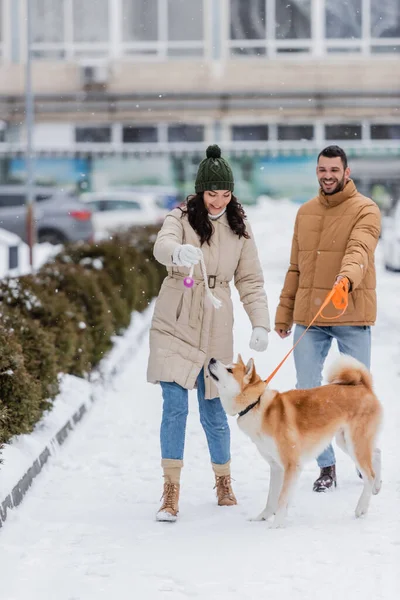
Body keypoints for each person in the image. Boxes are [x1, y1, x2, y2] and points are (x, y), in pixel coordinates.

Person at [147, 144, 270, 521]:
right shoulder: (180, 217)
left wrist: (260, 321)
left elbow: (249, 279)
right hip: (177, 316)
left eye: (226, 193)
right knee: (175, 406)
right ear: (200, 191)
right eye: (212, 193)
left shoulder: (239, 226)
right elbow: (161, 245)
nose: (218, 201)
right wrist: (176, 254)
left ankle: (223, 481)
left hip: (217, 320)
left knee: (214, 409)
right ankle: (170, 490)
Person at [275, 145, 381, 492]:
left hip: (350, 310)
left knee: (355, 392)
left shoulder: (365, 209)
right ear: (317, 172)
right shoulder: (305, 212)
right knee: (307, 389)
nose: (328, 176)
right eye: (322, 170)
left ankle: (363, 451)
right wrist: (284, 312)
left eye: (334, 170)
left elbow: (359, 250)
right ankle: (327, 466)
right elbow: (295, 267)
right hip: (310, 315)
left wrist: (345, 280)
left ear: (346, 172)